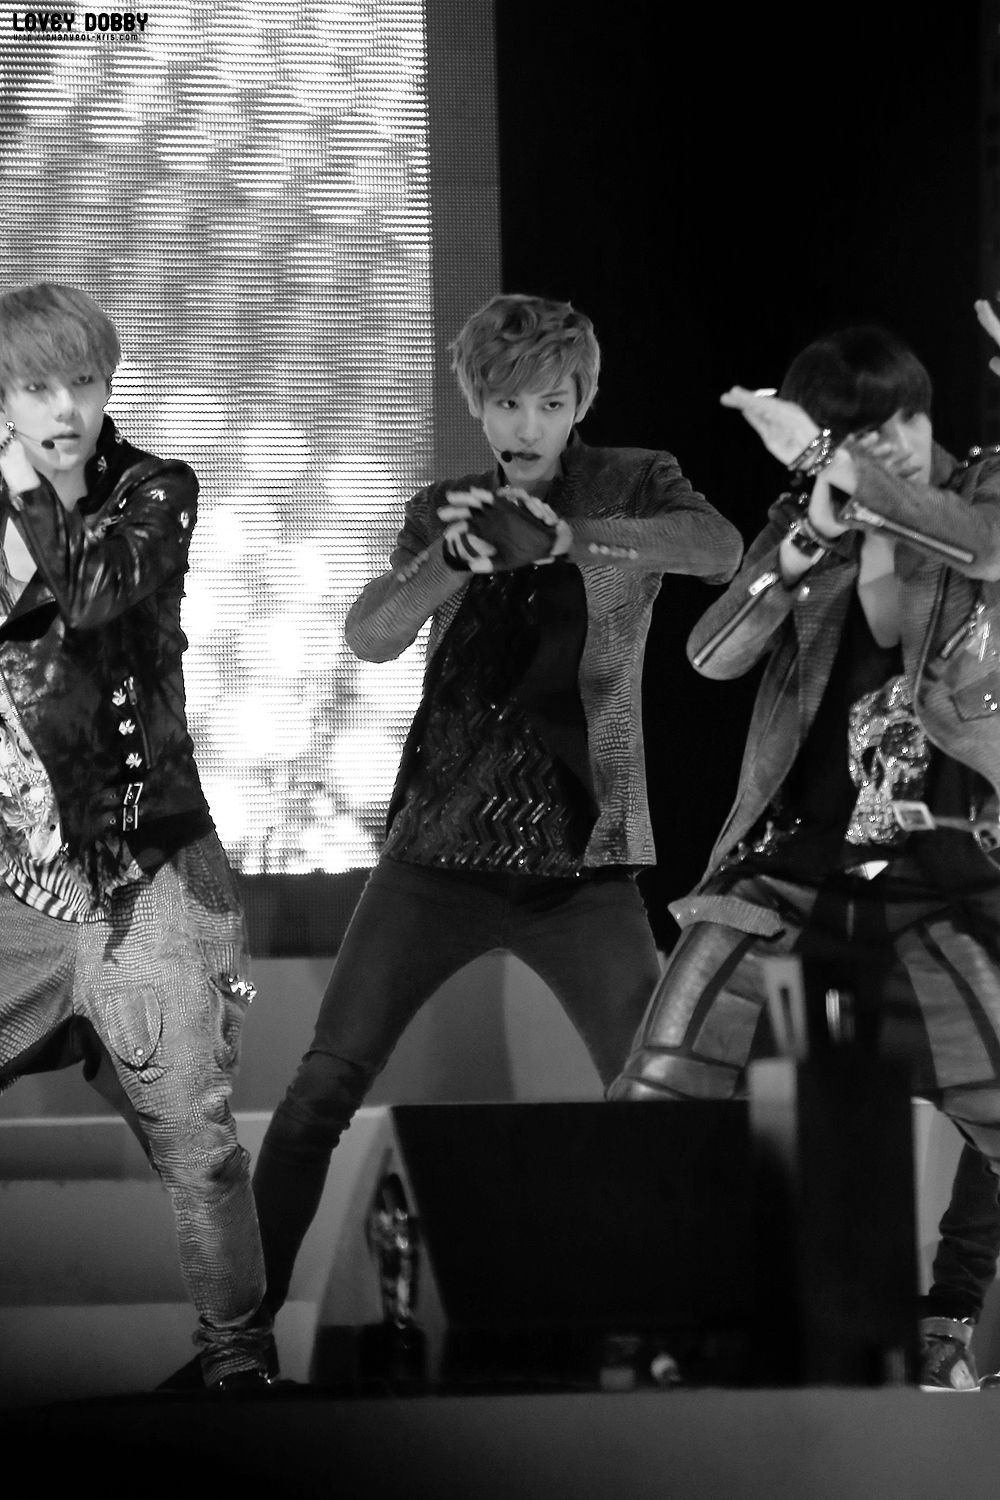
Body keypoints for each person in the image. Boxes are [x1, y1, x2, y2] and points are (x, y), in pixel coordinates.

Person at [251, 292, 744, 1318]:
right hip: (435, 856)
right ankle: (234, 1345)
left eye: (551, 403)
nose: (529, 425)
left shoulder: (632, 482)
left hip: (586, 865)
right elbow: (371, 635)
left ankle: (683, 1333)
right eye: (508, 404)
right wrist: (455, 559)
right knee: (317, 1094)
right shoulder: (446, 506)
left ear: (581, 404)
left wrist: (571, 539)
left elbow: (718, 550)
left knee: (658, 1096)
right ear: (477, 404)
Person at [610, 323, 1000, 1391]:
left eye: (904, 425)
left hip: (949, 873)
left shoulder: (978, 491)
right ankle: (632, 1345)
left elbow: (982, 549)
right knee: (660, 1088)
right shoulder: (812, 514)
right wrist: (803, 538)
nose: (895, 448)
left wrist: (844, 473)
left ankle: (948, 1320)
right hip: (797, 867)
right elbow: (710, 654)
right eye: (864, 439)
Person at [0, 282, 271, 1390]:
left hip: (146, 869)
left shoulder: (155, 490)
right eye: (35, 386)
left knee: (199, 1150)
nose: (64, 407)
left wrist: (29, 487)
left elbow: (93, 589)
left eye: (82, 381)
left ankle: (238, 1369)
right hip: (18, 878)